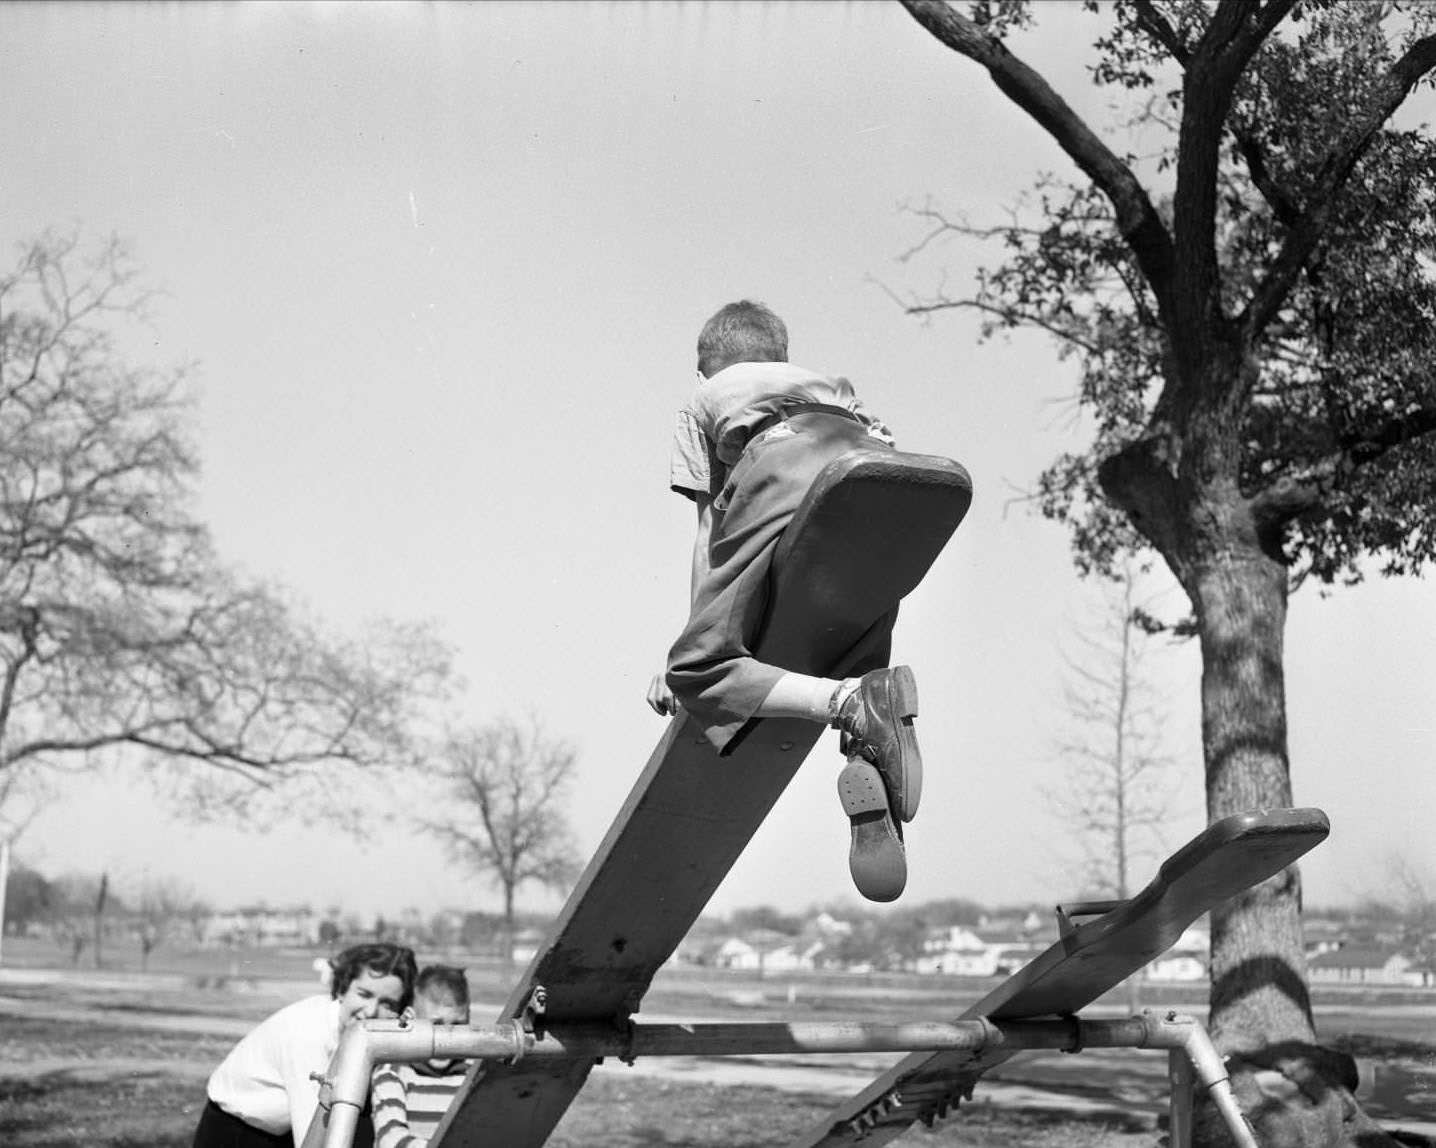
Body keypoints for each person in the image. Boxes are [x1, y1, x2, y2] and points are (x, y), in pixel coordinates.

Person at [647, 299, 924, 902]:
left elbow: (708, 535)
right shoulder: (821, 383)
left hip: (788, 464)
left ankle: (847, 706)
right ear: (781, 358)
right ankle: (870, 746)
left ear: (704, 372)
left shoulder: (706, 396)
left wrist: (696, 637)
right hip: (889, 482)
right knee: (858, 643)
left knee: (697, 665)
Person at [193, 942, 419, 1148]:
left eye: (387, 1004)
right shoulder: (308, 1035)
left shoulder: (363, 1037)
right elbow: (312, 1137)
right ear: (342, 989)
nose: (370, 1011)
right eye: (364, 994)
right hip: (237, 1132)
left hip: (283, 1131)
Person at [370, 965, 473, 1148]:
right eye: (436, 1024)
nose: (446, 1038)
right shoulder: (392, 1073)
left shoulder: (472, 1073)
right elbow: (391, 1140)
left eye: (457, 1025)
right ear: (411, 1018)